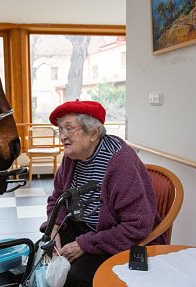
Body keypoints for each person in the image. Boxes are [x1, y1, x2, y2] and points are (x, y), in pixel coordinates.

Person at [40, 100, 166, 287]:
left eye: (69, 128)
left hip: (114, 235)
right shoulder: (71, 158)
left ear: (93, 133)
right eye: (60, 130)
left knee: (76, 277)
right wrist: (55, 226)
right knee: (44, 253)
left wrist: (84, 245)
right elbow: (56, 199)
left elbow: (137, 225)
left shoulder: (120, 163)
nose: (62, 136)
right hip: (83, 226)